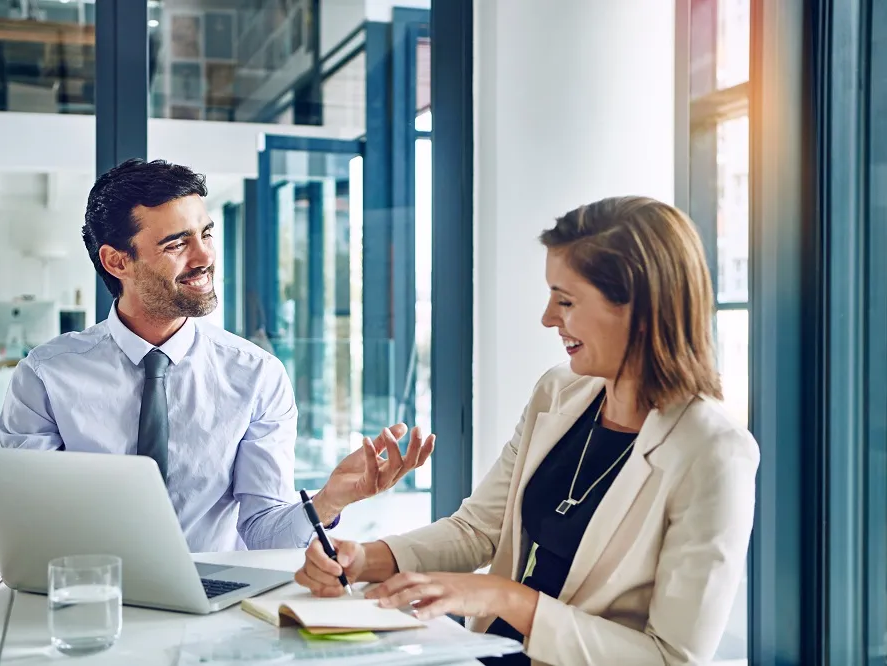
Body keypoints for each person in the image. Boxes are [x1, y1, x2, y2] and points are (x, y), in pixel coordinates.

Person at [294, 196, 759, 665]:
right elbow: (478, 530)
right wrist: (364, 559)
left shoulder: (714, 451)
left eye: (566, 301)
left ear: (637, 307)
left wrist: (505, 598)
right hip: (487, 653)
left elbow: (672, 658)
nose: (548, 318)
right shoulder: (558, 392)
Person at [0, 158, 434, 553]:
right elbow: (30, 526)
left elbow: (262, 533)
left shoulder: (257, 376)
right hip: (94, 593)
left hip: (215, 601)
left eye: (206, 234)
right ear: (116, 262)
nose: (205, 256)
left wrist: (327, 501)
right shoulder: (46, 377)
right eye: (176, 244)